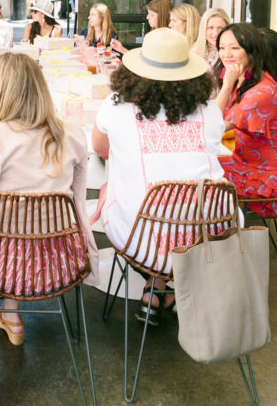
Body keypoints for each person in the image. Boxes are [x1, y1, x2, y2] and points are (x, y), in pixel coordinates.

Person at [0, 53, 98, 342]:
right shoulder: (70, 134)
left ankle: (0, 312)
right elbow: (77, 203)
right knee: (26, 222)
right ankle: (10, 313)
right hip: (63, 260)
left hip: (2, 267)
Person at [92, 28, 226, 324]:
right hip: (207, 235)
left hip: (140, 240)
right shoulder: (208, 111)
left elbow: (100, 148)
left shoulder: (117, 105)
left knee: (122, 193)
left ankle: (155, 285)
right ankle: (167, 288)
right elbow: (213, 150)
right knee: (169, 205)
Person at [214, 23, 277, 217]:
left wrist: (226, 86)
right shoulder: (246, 79)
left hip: (263, 173)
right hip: (241, 161)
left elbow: (214, 128)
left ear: (252, 50)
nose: (226, 55)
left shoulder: (262, 91)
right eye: (222, 48)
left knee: (198, 176)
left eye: (234, 48)